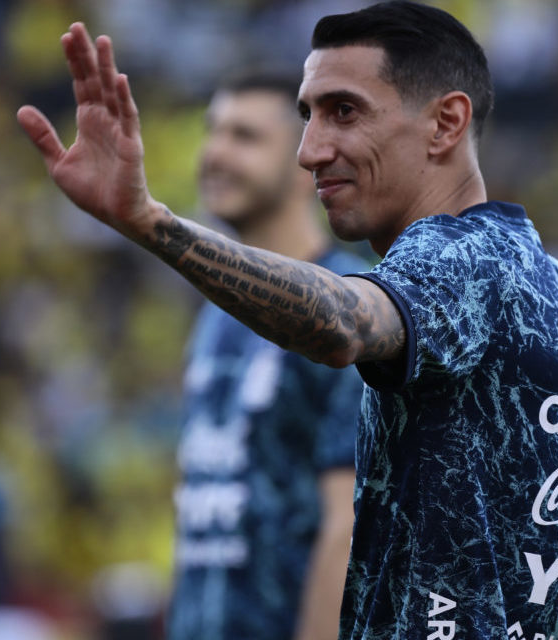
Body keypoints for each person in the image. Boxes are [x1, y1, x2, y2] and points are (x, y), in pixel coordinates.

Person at [15, 2, 558, 638]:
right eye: (306, 116)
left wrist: (151, 222)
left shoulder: (457, 255)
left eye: (344, 111)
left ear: (446, 123)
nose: (311, 152)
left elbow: (344, 325)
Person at [168, 72, 365, 640]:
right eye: (214, 132)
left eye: (245, 137)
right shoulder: (213, 316)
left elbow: (349, 521)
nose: (215, 153)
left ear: (308, 163)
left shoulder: (352, 306)